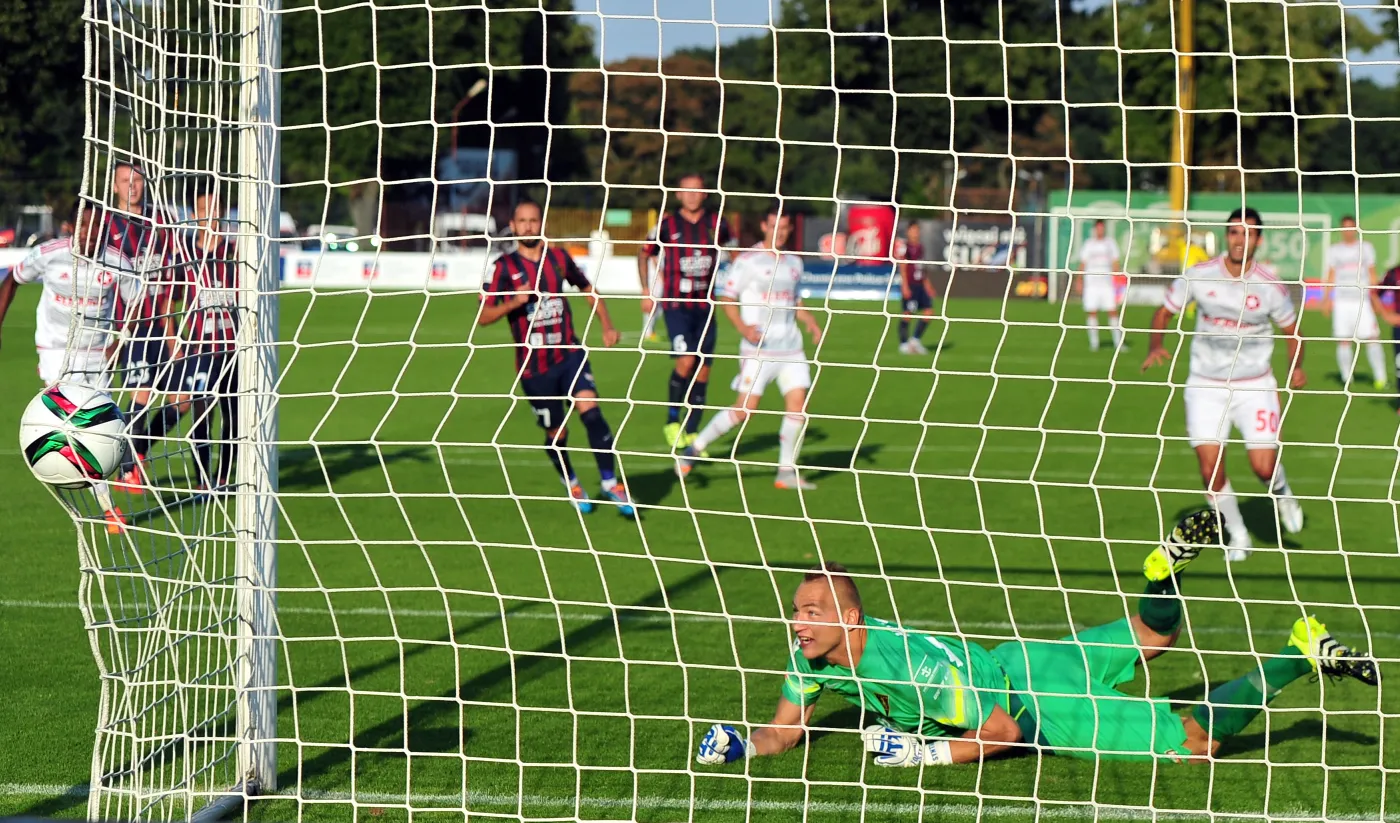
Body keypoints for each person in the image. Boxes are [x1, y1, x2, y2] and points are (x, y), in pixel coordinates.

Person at [694, 511, 1378, 768]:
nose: (797, 622)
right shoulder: (810, 657)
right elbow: (784, 731)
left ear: (851, 619)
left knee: (1198, 741)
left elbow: (1005, 729)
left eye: (810, 611)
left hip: (1031, 696)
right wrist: (741, 740)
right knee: (1152, 633)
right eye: (795, 611)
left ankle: (1297, 652)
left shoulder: (907, 664)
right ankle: (1161, 571)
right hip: (1019, 657)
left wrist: (923, 752)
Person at [1141, 207, 1304, 561]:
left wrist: (1297, 368)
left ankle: (1283, 492)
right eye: (1233, 232)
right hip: (1205, 386)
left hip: (1255, 385)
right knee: (1209, 468)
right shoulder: (1199, 275)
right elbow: (1164, 312)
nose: (1238, 239)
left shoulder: (1270, 287)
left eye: (1247, 233)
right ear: (1225, 236)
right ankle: (1239, 533)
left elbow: (1294, 332)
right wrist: (1156, 344)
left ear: (1258, 240)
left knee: (1263, 466)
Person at [478, 200, 634, 517]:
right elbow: (483, 315)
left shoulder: (559, 258)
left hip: (569, 353)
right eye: (522, 221)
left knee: (591, 411)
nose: (528, 226)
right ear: (513, 224)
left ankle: (610, 481)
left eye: (533, 220)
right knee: (556, 433)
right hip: (534, 367)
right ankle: (572, 482)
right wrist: (514, 303)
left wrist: (607, 324)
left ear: (541, 223)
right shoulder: (503, 267)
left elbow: (589, 289)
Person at [0, 206, 144, 532]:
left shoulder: (117, 261)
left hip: (98, 354)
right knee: (73, 423)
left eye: (96, 229)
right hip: (56, 351)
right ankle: (109, 508)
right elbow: (12, 279)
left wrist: (118, 342)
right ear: (71, 227)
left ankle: (124, 467)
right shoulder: (49, 254)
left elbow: (135, 304)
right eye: (84, 228)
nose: (90, 235)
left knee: (105, 419)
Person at [676, 202, 823, 491]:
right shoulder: (748, 261)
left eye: (784, 228)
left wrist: (810, 321)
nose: (779, 233)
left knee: (798, 408)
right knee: (744, 409)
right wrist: (743, 328)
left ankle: (785, 472)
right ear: (764, 227)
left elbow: (794, 300)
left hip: (791, 348)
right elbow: (727, 297)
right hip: (759, 350)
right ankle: (694, 449)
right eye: (774, 227)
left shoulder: (794, 262)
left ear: (789, 229)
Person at [637, 173, 734, 449]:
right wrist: (646, 291)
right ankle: (671, 421)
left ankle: (692, 431)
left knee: (703, 369)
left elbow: (736, 250)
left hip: (706, 305)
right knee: (687, 361)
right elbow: (643, 253)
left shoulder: (717, 223)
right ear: (678, 194)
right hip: (676, 305)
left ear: (705, 194)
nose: (692, 195)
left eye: (697, 190)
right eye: (686, 191)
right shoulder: (666, 224)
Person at [105, 163, 180, 490]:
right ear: (114, 187)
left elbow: (173, 277)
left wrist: (173, 328)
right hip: (129, 328)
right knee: (143, 394)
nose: (131, 185)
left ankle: (136, 450)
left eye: (136, 180)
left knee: (183, 399)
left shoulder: (161, 222)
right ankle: (126, 470)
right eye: (125, 180)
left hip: (162, 323)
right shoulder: (106, 225)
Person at [161, 191, 240, 491]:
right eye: (203, 209)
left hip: (233, 348)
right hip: (199, 350)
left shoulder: (236, 254)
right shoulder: (184, 257)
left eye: (215, 209)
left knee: (233, 419)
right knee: (201, 416)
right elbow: (168, 303)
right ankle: (202, 481)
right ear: (194, 215)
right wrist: (174, 341)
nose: (210, 215)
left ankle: (223, 477)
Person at [1322, 216, 1386, 389]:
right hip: (1342, 302)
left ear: (1356, 229)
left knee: (1372, 338)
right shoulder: (1334, 250)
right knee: (1343, 341)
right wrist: (1326, 298)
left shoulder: (1366, 248)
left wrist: (1375, 297)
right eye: (1345, 228)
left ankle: (1381, 378)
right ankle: (1347, 378)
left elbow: (1372, 273)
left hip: (1362, 301)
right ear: (1341, 230)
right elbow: (1331, 274)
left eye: (1351, 228)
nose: (1348, 231)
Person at [1077, 219, 1125, 352]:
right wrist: (1079, 280)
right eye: (1098, 228)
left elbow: (1115, 263)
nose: (1100, 230)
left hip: (1107, 284)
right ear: (1094, 229)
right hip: (1091, 285)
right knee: (1092, 312)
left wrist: (1118, 280)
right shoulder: (1088, 244)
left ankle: (1118, 343)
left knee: (1113, 312)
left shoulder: (1110, 243)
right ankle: (1094, 343)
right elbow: (1083, 263)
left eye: (1102, 228)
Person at [895, 222, 937, 355]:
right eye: (913, 230)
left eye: (917, 230)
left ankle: (915, 340)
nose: (915, 233)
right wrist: (905, 285)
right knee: (908, 314)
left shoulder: (920, 247)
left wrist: (928, 285)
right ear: (908, 232)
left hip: (920, 285)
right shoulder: (905, 247)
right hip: (911, 285)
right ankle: (903, 344)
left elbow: (921, 268)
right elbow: (903, 266)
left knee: (929, 312)